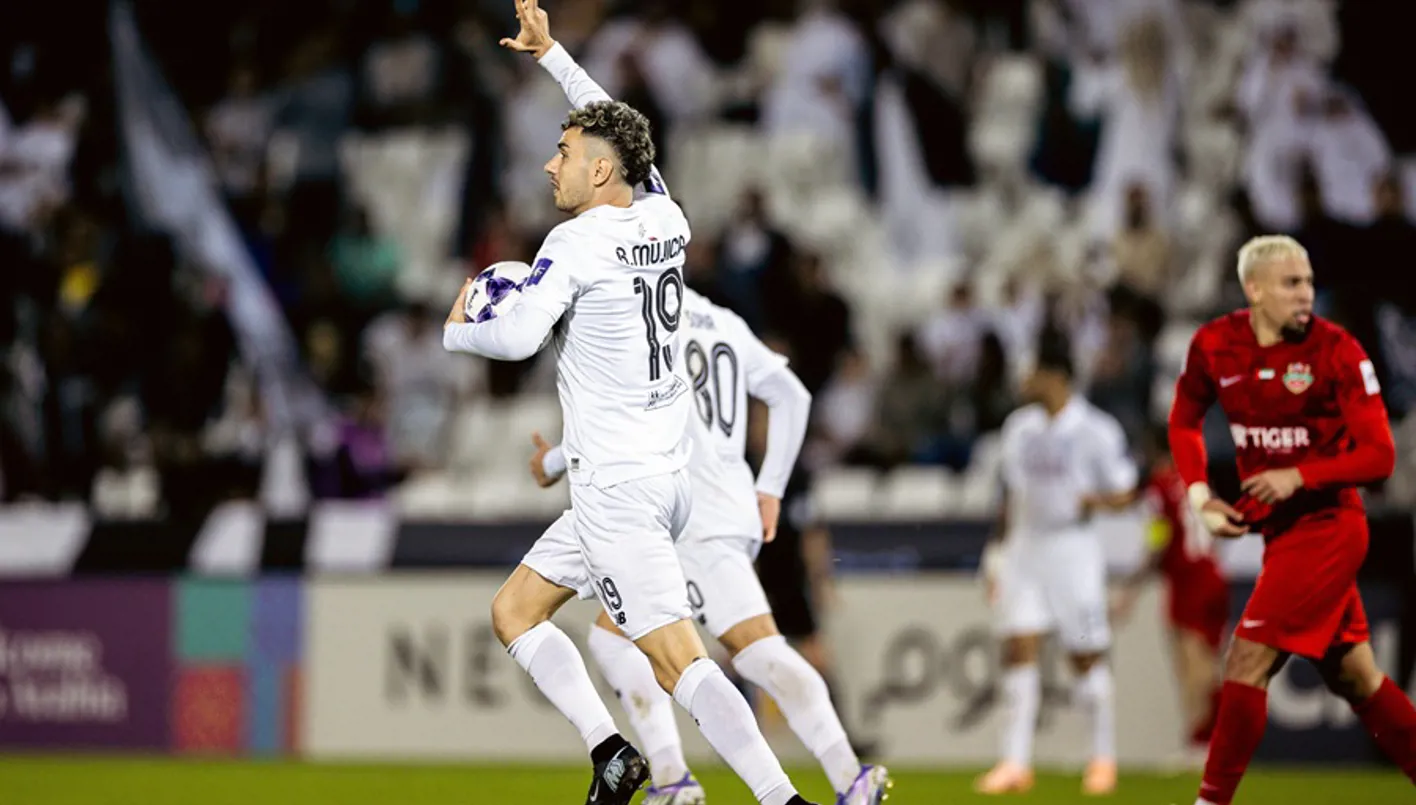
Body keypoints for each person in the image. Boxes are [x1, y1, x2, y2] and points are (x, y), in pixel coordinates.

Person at [444, 3, 818, 804]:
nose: (550, 164)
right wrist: (554, 57)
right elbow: (622, 130)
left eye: (564, 153)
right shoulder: (664, 215)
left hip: (618, 491)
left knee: (680, 663)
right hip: (658, 480)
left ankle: (781, 797)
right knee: (515, 611)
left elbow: (516, 338)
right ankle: (613, 752)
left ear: (600, 172)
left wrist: (457, 330)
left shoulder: (574, 242)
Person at [532, 287, 890, 805]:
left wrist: (552, 462)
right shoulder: (725, 321)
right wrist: (771, 487)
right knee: (753, 647)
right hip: (733, 504)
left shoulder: (646, 318)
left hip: (680, 509)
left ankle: (676, 779)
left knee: (624, 642)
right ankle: (849, 778)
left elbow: (624, 417)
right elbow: (793, 396)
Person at [1169, 234, 1416, 805]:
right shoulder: (1215, 345)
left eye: (1308, 282)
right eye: (1291, 283)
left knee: (1246, 657)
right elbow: (1183, 421)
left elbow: (1380, 455)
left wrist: (1299, 476)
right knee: (1357, 678)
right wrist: (1201, 495)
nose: (1306, 294)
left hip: (1330, 526)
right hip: (1281, 535)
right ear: (1253, 290)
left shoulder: (1338, 350)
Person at [976, 342, 1135, 796]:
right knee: (1018, 646)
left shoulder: (1096, 430)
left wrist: (1093, 500)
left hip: (1073, 551)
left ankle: (1102, 758)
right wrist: (997, 552)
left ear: (1057, 376)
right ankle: (1014, 762)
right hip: (1026, 548)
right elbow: (1009, 495)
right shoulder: (1019, 428)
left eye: (1034, 372)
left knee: (1084, 652)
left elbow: (1126, 490)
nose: (1025, 381)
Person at [1110, 425, 1228, 768]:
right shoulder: (1197, 482)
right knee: (1209, 663)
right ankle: (1211, 740)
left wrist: (1130, 591)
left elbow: (1157, 540)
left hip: (1188, 581)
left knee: (1191, 664)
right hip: (1213, 574)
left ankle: (1201, 743)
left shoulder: (1160, 487)